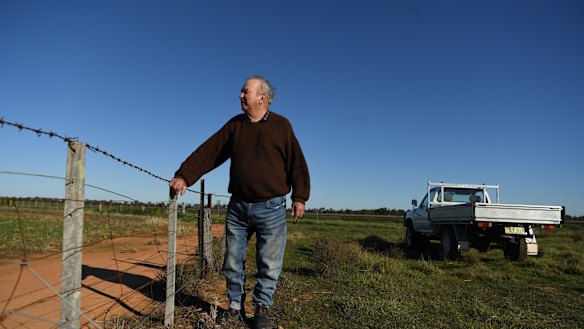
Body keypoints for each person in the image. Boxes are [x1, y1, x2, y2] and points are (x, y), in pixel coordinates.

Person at [169, 75, 310, 329]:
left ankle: (261, 309)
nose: (240, 96)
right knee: (232, 260)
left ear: (262, 98)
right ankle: (234, 307)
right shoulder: (236, 126)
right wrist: (184, 175)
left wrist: (299, 197)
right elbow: (210, 151)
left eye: (246, 92)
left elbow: (296, 163)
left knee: (268, 263)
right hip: (238, 207)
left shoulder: (282, 126)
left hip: (272, 208)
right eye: (242, 92)